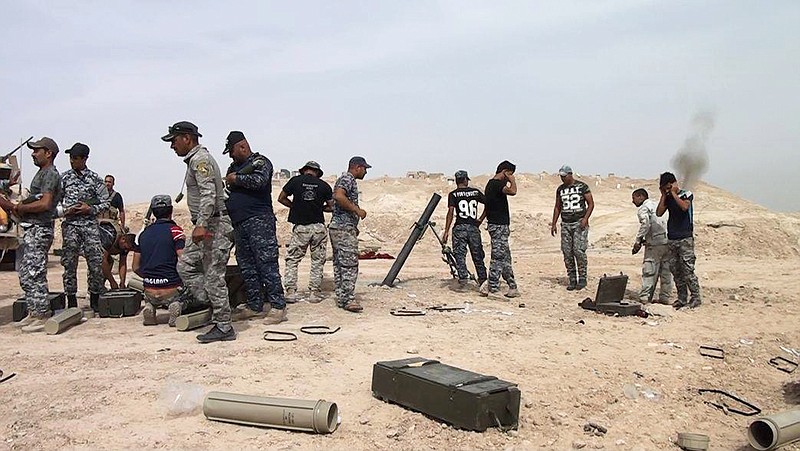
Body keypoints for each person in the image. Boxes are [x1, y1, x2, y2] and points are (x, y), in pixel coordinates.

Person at [162, 121, 236, 343]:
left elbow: (209, 192)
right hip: (206, 223)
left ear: (187, 138)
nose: (172, 146)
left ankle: (224, 326)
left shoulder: (200, 160)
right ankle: (211, 303)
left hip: (215, 224)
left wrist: (202, 223)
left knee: (213, 276)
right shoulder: (194, 160)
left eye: (174, 141)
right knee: (185, 266)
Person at [223, 131, 287, 324]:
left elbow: (259, 182)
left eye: (232, 151)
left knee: (267, 263)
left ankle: (277, 306)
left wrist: (236, 179)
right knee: (247, 266)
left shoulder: (260, 162)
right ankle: (254, 305)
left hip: (259, 221)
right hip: (239, 223)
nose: (231, 156)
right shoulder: (233, 167)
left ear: (242, 146)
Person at [1, 137, 62, 332]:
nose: (33, 154)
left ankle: (42, 314)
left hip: (40, 229)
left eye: (37, 150)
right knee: (26, 274)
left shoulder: (50, 174)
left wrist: (18, 207)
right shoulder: (41, 174)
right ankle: (34, 311)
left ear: (48, 153)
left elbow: (45, 203)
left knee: (35, 272)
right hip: (31, 228)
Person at [60, 143, 110, 311]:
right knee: (69, 263)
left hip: (89, 226)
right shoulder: (64, 178)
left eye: (75, 158)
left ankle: (95, 300)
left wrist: (90, 209)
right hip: (70, 226)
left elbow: (106, 201)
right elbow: (54, 202)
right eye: (70, 158)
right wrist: (66, 211)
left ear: (84, 159)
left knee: (95, 264)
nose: (72, 161)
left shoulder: (95, 179)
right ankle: (71, 300)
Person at [278, 160, 333, 302]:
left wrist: (294, 206)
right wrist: (319, 208)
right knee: (317, 260)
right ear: (317, 173)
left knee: (293, 259)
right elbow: (332, 207)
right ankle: (314, 293)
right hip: (319, 228)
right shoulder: (324, 185)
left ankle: (290, 292)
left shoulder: (295, 181)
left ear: (304, 170)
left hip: (301, 228)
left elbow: (281, 198)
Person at [132, 195, 187, 326]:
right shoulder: (175, 231)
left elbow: (134, 267)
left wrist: (150, 276)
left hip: (149, 289)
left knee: (151, 299)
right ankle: (176, 305)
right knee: (194, 292)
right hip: (171, 288)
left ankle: (150, 306)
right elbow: (184, 259)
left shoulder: (143, 234)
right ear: (171, 211)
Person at [329, 156, 370, 312]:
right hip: (343, 228)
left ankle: (342, 297)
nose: (365, 172)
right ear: (357, 167)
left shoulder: (343, 179)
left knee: (340, 264)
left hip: (340, 227)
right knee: (349, 264)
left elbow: (335, 202)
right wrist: (357, 211)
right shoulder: (348, 179)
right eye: (364, 168)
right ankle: (348, 299)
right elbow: (339, 196)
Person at [656, 172, 701, 309]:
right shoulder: (667, 197)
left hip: (685, 237)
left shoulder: (686, 194)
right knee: (675, 270)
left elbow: (684, 207)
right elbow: (659, 212)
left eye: (669, 187)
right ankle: (682, 298)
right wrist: (664, 196)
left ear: (674, 183)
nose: (668, 190)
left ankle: (695, 297)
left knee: (687, 269)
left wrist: (674, 194)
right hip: (672, 237)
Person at [441, 170, 487, 291]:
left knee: (460, 255)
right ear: (466, 180)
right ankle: (483, 280)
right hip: (473, 227)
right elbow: (489, 204)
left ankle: (463, 281)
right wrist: (480, 219)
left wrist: (446, 230)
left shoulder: (453, 194)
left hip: (460, 227)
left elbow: (450, 212)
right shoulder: (475, 192)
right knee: (477, 254)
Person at [551, 164, 594, 291]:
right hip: (566, 223)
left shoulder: (582, 186)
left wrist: (585, 218)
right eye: (561, 176)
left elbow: (591, 203)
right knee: (567, 252)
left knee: (578, 251)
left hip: (579, 222)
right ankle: (572, 278)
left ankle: (582, 278)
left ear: (570, 174)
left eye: (564, 176)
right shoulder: (560, 189)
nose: (562, 179)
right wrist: (553, 223)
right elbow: (557, 206)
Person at [480, 161, 519, 298]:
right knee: (498, 257)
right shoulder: (496, 184)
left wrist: (480, 219)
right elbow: (513, 191)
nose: (510, 176)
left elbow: (488, 205)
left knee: (505, 257)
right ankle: (493, 288)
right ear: (504, 172)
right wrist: (512, 181)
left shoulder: (491, 184)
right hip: (498, 226)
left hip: (499, 224)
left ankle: (512, 285)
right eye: (509, 173)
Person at [631, 188, 673, 304]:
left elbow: (645, 224)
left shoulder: (644, 208)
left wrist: (638, 241)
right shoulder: (657, 205)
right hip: (667, 242)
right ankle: (665, 298)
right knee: (666, 272)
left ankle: (645, 298)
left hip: (654, 244)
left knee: (649, 271)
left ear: (640, 197)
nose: (633, 201)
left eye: (634, 198)